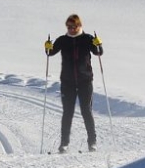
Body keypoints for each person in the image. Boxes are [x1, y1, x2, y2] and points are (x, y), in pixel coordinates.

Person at [45, 14, 104, 152]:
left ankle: (92, 142)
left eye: (73, 26)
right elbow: (50, 52)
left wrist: (98, 44)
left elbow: (98, 53)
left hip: (85, 81)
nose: (71, 29)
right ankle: (64, 143)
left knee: (86, 111)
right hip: (67, 82)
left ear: (79, 26)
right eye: (69, 27)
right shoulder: (62, 40)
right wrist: (47, 47)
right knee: (68, 112)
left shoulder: (87, 38)